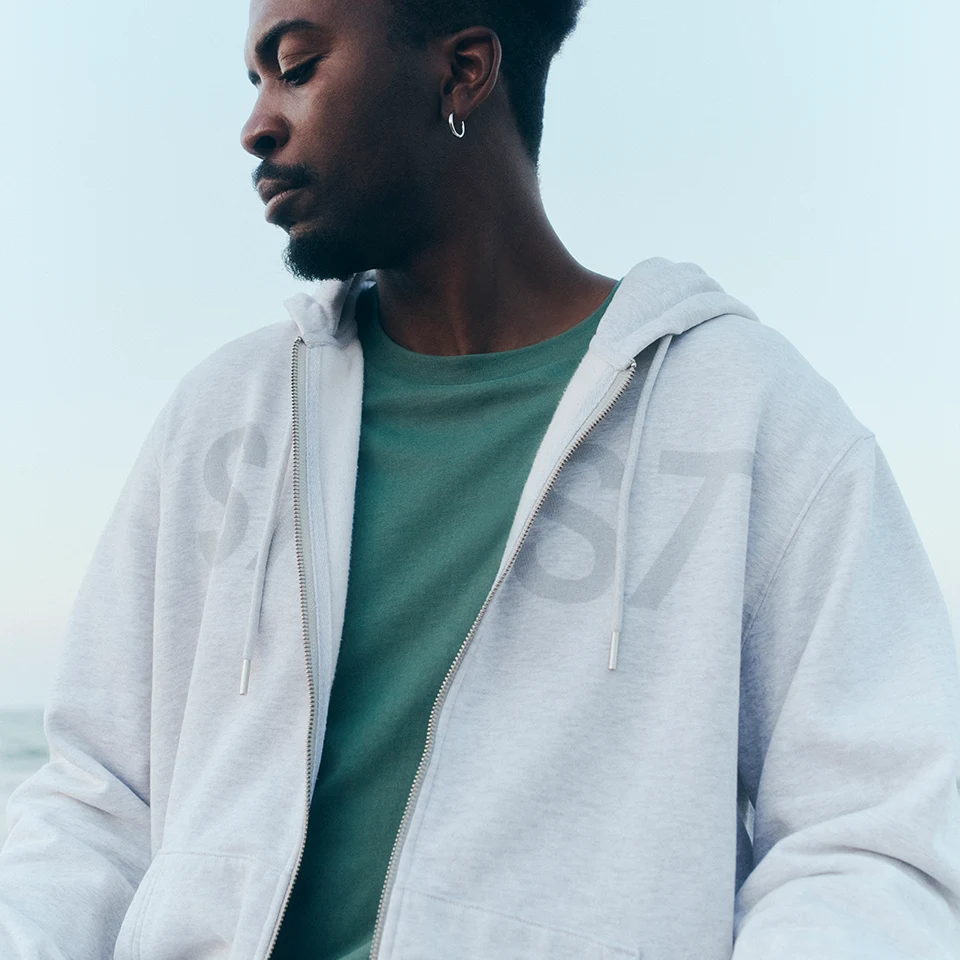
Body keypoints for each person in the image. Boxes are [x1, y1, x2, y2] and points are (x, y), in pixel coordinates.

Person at [2, 0, 958, 956]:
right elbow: (97, 804)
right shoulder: (224, 417)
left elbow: (872, 837)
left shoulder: (748, 413)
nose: (256, 123)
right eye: (254, 81)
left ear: (462, 72)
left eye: (294, 66)